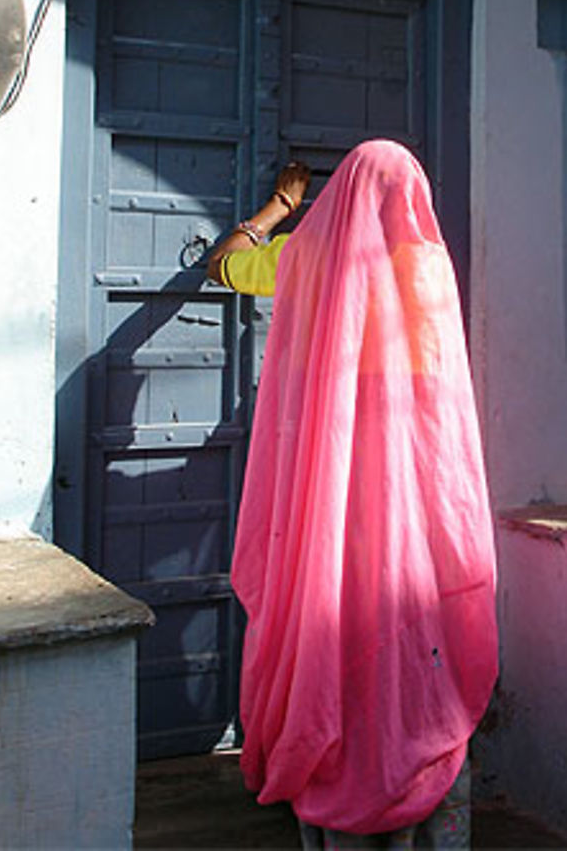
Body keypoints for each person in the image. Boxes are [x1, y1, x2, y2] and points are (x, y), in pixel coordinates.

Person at [209, 140, 498, 850]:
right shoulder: (426, 269)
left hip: (325, 515)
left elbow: (222, 263)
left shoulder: (305, 258)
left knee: (328, 644)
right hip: (403, 517)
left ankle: (333, 798)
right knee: (407, 652)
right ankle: (409, 792)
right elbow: (437, 410)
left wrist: (278, 209)